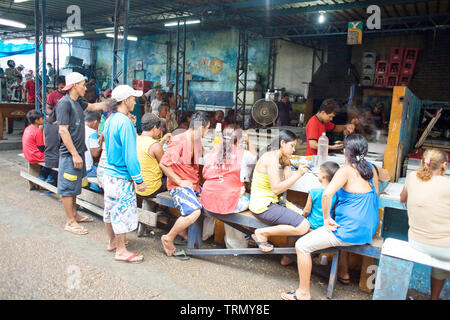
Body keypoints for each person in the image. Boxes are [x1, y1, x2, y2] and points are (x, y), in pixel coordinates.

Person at [282, 133, 379, 300]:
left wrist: (326, 219)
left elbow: (327, 195)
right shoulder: (371, 168)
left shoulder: (347, 170)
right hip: (368, 229)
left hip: (350, 231)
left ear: (346, 151)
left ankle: (303, 293)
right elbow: (375, 195)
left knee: (302, 246)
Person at [56, 72, 106, 236]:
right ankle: (70, 221)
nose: (86, 87)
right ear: (75, 85)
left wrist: (111, 103)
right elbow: (63, 130)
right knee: (68, 188)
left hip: (79, 152)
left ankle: (75, 214)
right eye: (83, 84)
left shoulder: (78, 102)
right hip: (70, 155)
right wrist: (75, 154)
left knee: (75, 186)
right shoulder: (64, 103)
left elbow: (92, 107)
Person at [102, 84, 146, 263]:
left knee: (110, 209)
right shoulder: (124, 122)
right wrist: (138, 179)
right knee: (122, 211)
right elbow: (130, 155)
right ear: (126, 100)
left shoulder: (111, 118)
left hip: (109, 173)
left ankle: (113, 242)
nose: (135, 101)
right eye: (133, 98)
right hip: (121, 176)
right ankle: (121, 250)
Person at [159, 111, 210, 257]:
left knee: (214, 200)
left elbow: (203, 154)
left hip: (193, 184)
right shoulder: (179, 140)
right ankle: (168, 238)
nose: (207, 132)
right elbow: (163, 165)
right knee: (195, 211)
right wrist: (180, 181)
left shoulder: (197, 140)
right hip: (179, 186)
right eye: (207, 128)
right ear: (201, 128)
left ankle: (185, 231)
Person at [249, 130, 310, 252]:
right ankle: (261, 233)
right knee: (304, 225)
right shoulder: (271, 159)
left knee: (302, 214)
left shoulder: (274, 155)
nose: (293, 150)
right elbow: (276, 189)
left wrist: (287, 167)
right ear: (282, 143)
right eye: (292, 146)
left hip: (265, 203)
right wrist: (298, 174)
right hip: (263, 207)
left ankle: (287, 256)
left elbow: (286, 161)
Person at [400, 149, 450, 300]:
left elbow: (403, 198)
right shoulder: (447, 184)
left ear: (422, 162)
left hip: (416, 242)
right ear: (444, 166)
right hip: (444, 248)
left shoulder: (411, 176)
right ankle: (434, 297)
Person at [201, 125, 257, 215]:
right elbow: (255, 158)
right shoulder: (244, 154)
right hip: (228, 201)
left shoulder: (214, 151)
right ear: (239, 140)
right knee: (252, 200)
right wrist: (249, 142)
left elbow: (206, 160)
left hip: (208, 198)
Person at [137, 113, 171, 199]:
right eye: (160, 129)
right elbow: (165, 165)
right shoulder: (155, 145)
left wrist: (162, 141)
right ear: (155, 128)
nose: (160, 131)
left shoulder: (136, 139)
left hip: (137, 187)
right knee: (172, 178)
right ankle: (164, 209)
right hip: (151, 189)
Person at [22, 109, 53, 182]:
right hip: (35, 156)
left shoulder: (28, 128)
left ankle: (43, 177)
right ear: (37, 121)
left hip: (27, 153)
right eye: (42, 119)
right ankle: (47, 180)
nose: (44, 120)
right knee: (55, 160)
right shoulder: (37, 131)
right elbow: (41, 148)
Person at [43, 109, 59, 186]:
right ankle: (50, 181)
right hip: (57, 160)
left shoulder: (45, 127)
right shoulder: (61, 129)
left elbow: (45, 143)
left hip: (47, 157)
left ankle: (42, 177)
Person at [84, 111, 101, 178]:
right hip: (88, 169)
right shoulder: (92, 132)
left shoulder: (79, 127)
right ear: (95, 122)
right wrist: (101, 143)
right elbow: (95, 154)